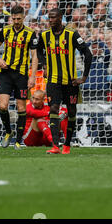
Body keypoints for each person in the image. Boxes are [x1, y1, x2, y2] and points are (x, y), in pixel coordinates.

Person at [37, 8, 92, 155]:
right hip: (53, 81)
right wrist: (44, 65)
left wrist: (84, 77)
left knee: (72, 111)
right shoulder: (44, 35)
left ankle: (67, 144)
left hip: (71, 82)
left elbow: (88, 54)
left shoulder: (72, 35)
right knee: (53, 109)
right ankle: (55, 146)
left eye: (54, 17)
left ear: (60, 18)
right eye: (49, 18)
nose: (51, 20)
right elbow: (38, 51)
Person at [0, 5, 39, 150]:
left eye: (19, 18)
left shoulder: (30, 34)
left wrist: (32, 76)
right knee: (2, 106)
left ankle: (19, 141)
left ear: (24, 17)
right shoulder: (6, 30)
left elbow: (34, 56)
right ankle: (8, 131)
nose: (16, 21)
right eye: (13, 18)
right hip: (5, 73)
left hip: (21, 75)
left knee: (21, 108)